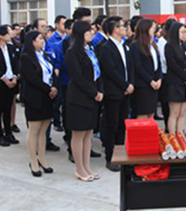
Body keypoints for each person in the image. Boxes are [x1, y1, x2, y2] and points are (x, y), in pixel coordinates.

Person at [65, 21, 104, 181]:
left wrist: (99, 90)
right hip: (79, 97)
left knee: (88, 134)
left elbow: (96, 72)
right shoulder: (72, 52)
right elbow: (78, 77)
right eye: (89, 31)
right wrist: (93, 92)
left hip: (93, 95)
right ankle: (79, 169)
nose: (92, 34)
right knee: (79, 133)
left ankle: (87, 166)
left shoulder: (90, 50)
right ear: (81, 33)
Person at [20, 31, 58, 177]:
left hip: (48, 97)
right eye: (40, 39)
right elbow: (32, 79)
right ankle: (33, 161)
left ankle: (42, 159)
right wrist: (49, 89)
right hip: (35, 97)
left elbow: (53, 73)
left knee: (44, 129)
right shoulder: (26, 57)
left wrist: (54, 87)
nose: (43, 41)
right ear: (32, 42)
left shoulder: (45, 55)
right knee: (34, 129)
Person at [99, 16, 135, 172]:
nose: (125, 28)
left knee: (122, 124)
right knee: (111, 124)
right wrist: (125, 84)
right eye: (122, 26)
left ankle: (121, 154)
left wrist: (131, 83)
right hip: (113, 91)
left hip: (126, 91)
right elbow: (110, 71)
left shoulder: (125, 45)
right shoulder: (106, 47)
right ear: (115, 29)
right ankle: (110, 156)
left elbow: (130, 67)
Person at [0, 25, 19, 147]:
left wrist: (15, 77)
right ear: (0, 35)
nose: (10, 34)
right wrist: (5, 79)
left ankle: (8, 133)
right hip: (0, 83)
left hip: (11, 82)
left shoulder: (10, 48)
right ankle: (0, 135)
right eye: (8, 32)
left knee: (8, 109)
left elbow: (15, 64)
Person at [165, 22, 186, 134]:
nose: (185, 34)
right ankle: (172, 136)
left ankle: (180, 133)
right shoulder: (169, 46)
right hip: (175, 82)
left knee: (182, 112)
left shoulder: (184, 45)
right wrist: (185, 77)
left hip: (185, 82)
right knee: (174, 112)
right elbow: (172, 65)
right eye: (182, 32)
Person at [130, 19, 162, 119]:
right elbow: (138, 66)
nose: (154, 29)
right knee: (143, 113)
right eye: (152, 27)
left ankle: (150, 134)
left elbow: (158, 63)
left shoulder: (152, 44)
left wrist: (159, 78)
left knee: (151, 113)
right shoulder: (136, 45)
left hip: (154, 83)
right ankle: (141, 135)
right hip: (143, 85)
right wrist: (150, 81)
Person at [156, 19, 175, 131]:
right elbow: (164, 59)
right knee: (166, 102)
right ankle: (168, 125)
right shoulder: (162, 41)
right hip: (166, 73)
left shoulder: (172, 40)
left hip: (172, 73)